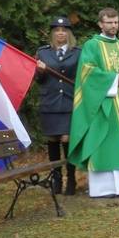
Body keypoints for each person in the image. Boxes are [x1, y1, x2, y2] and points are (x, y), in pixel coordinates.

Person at [68, 8, 119, 198]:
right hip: (102, 104)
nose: (114, 26)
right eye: (109, 22)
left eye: (116, 22)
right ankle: (103, 189)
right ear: (100, 24)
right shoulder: (92, 46)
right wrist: (113, 80)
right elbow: (87, 73)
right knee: (103, 143)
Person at [36, 16, 80, 195]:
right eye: (57, 31)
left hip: (70, 102)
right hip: (50, 102)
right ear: (53, 34)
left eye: (64, 30)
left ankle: (71, 179)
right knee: (52, 140)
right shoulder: (43, 52)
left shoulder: (78, 52)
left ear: (68, 33)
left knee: (66, 139)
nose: (60, 33)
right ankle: (56, 179)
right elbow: (38, 80)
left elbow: (83, 76)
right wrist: (39, 71)